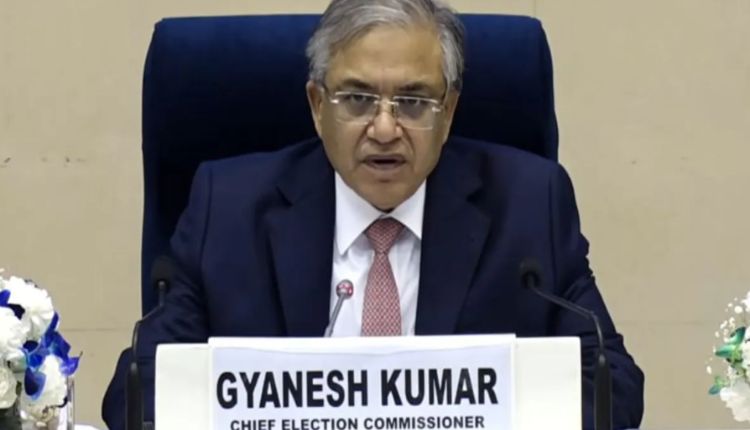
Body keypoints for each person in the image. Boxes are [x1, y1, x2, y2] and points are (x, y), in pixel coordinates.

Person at [103, 0, 644, 428]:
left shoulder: (528, 205)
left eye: (413, 102)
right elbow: (136, 394)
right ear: (318, 106)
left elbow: (613, 387)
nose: (385, 129)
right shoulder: (228, 209)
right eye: (358, 99)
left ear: (449, 111)